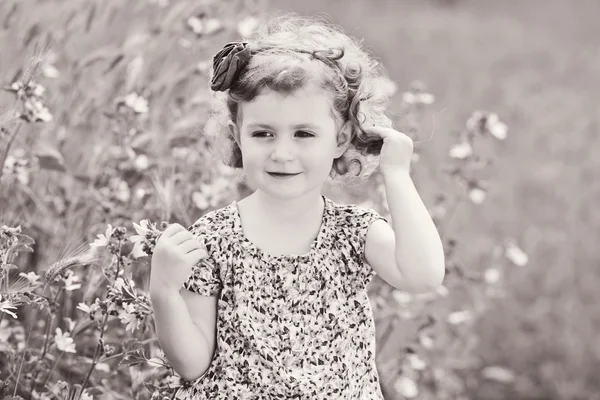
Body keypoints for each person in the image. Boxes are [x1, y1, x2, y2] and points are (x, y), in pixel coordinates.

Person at [149, 13, 445, 400]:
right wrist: (164, 293)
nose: (282, 153)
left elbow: (422, 276)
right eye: (263, 133)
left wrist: (397, 175)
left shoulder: (354, 233)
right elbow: (193, 363)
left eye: (304, 134)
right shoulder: (213, 238)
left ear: (340, 140)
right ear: (238, 137)